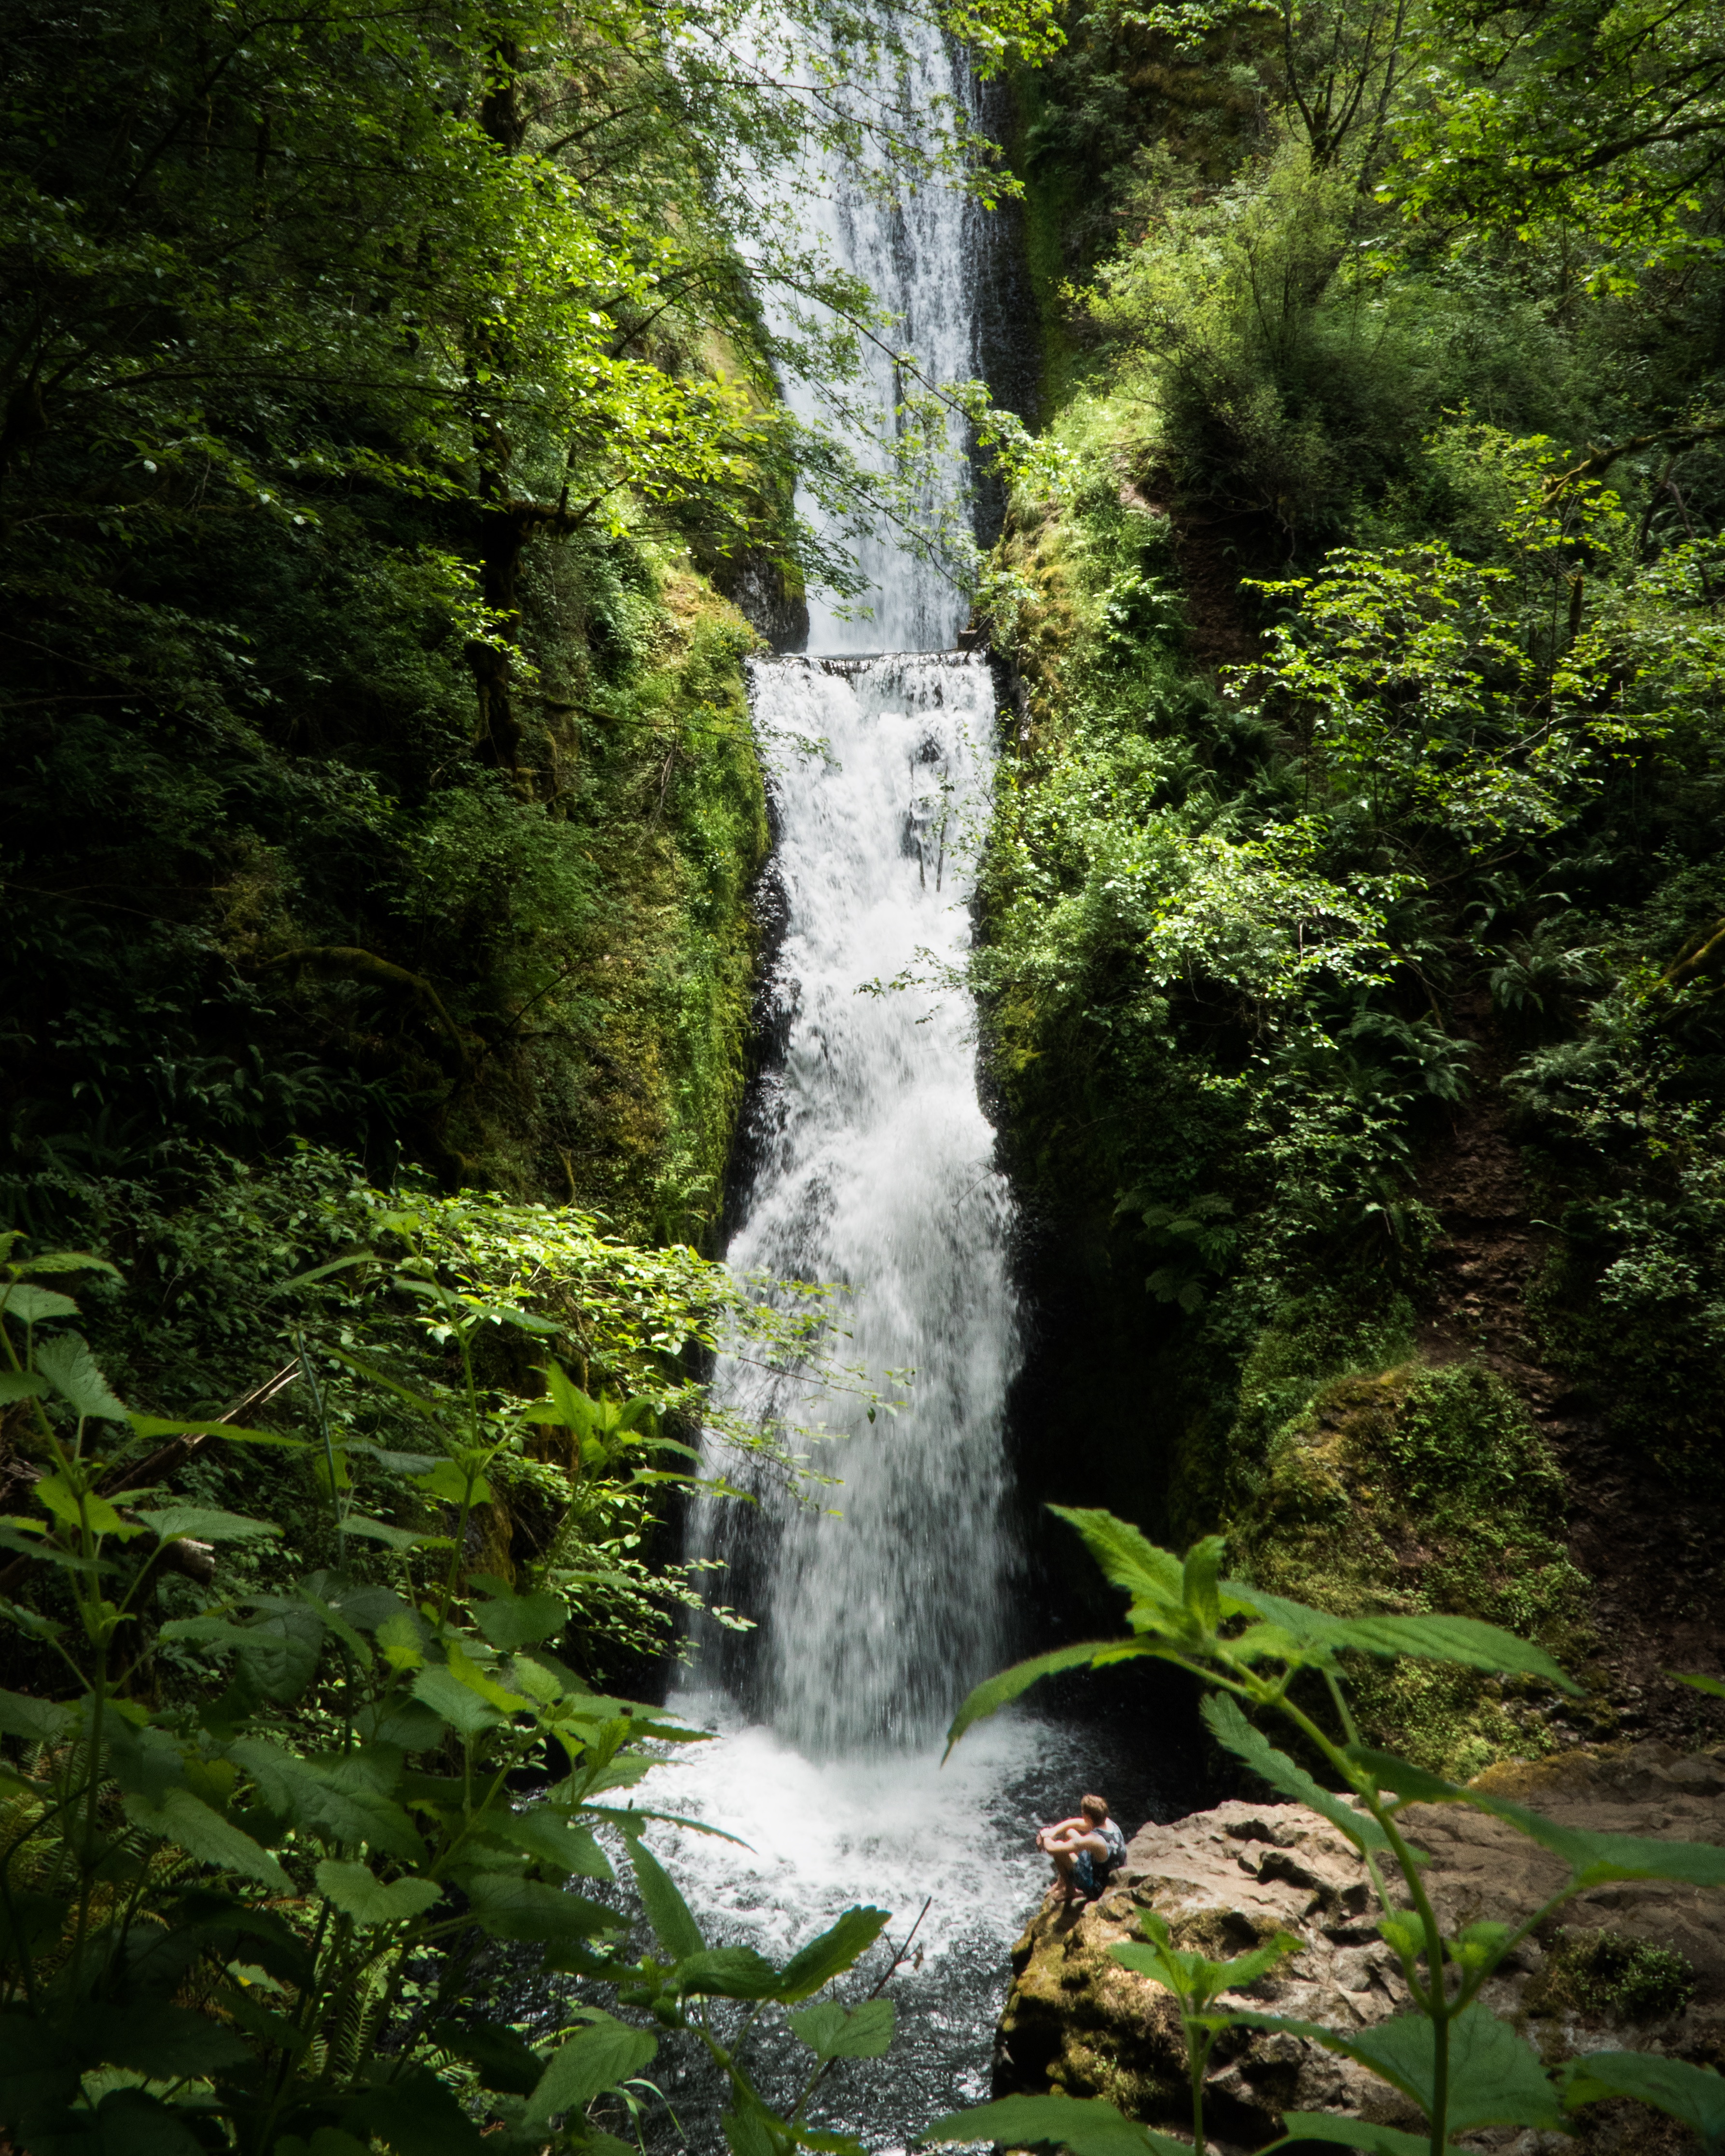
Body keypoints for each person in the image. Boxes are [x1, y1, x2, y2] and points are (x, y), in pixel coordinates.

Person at [1036, 1794, 1127, 1906]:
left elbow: (1052, 1849)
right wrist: (1052, 1831)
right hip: (1106, 1870)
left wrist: (1045, 1835)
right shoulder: (1106, 1821)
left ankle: (1070, 1891)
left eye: (1083, 1813)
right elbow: (1075, 1823)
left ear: (1089, 1817)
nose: (1082, 1815)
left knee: (1060, 1849)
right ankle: (1062, 1883)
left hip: (1098, 1887)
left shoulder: (1094, 1841)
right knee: (1069, 1831)